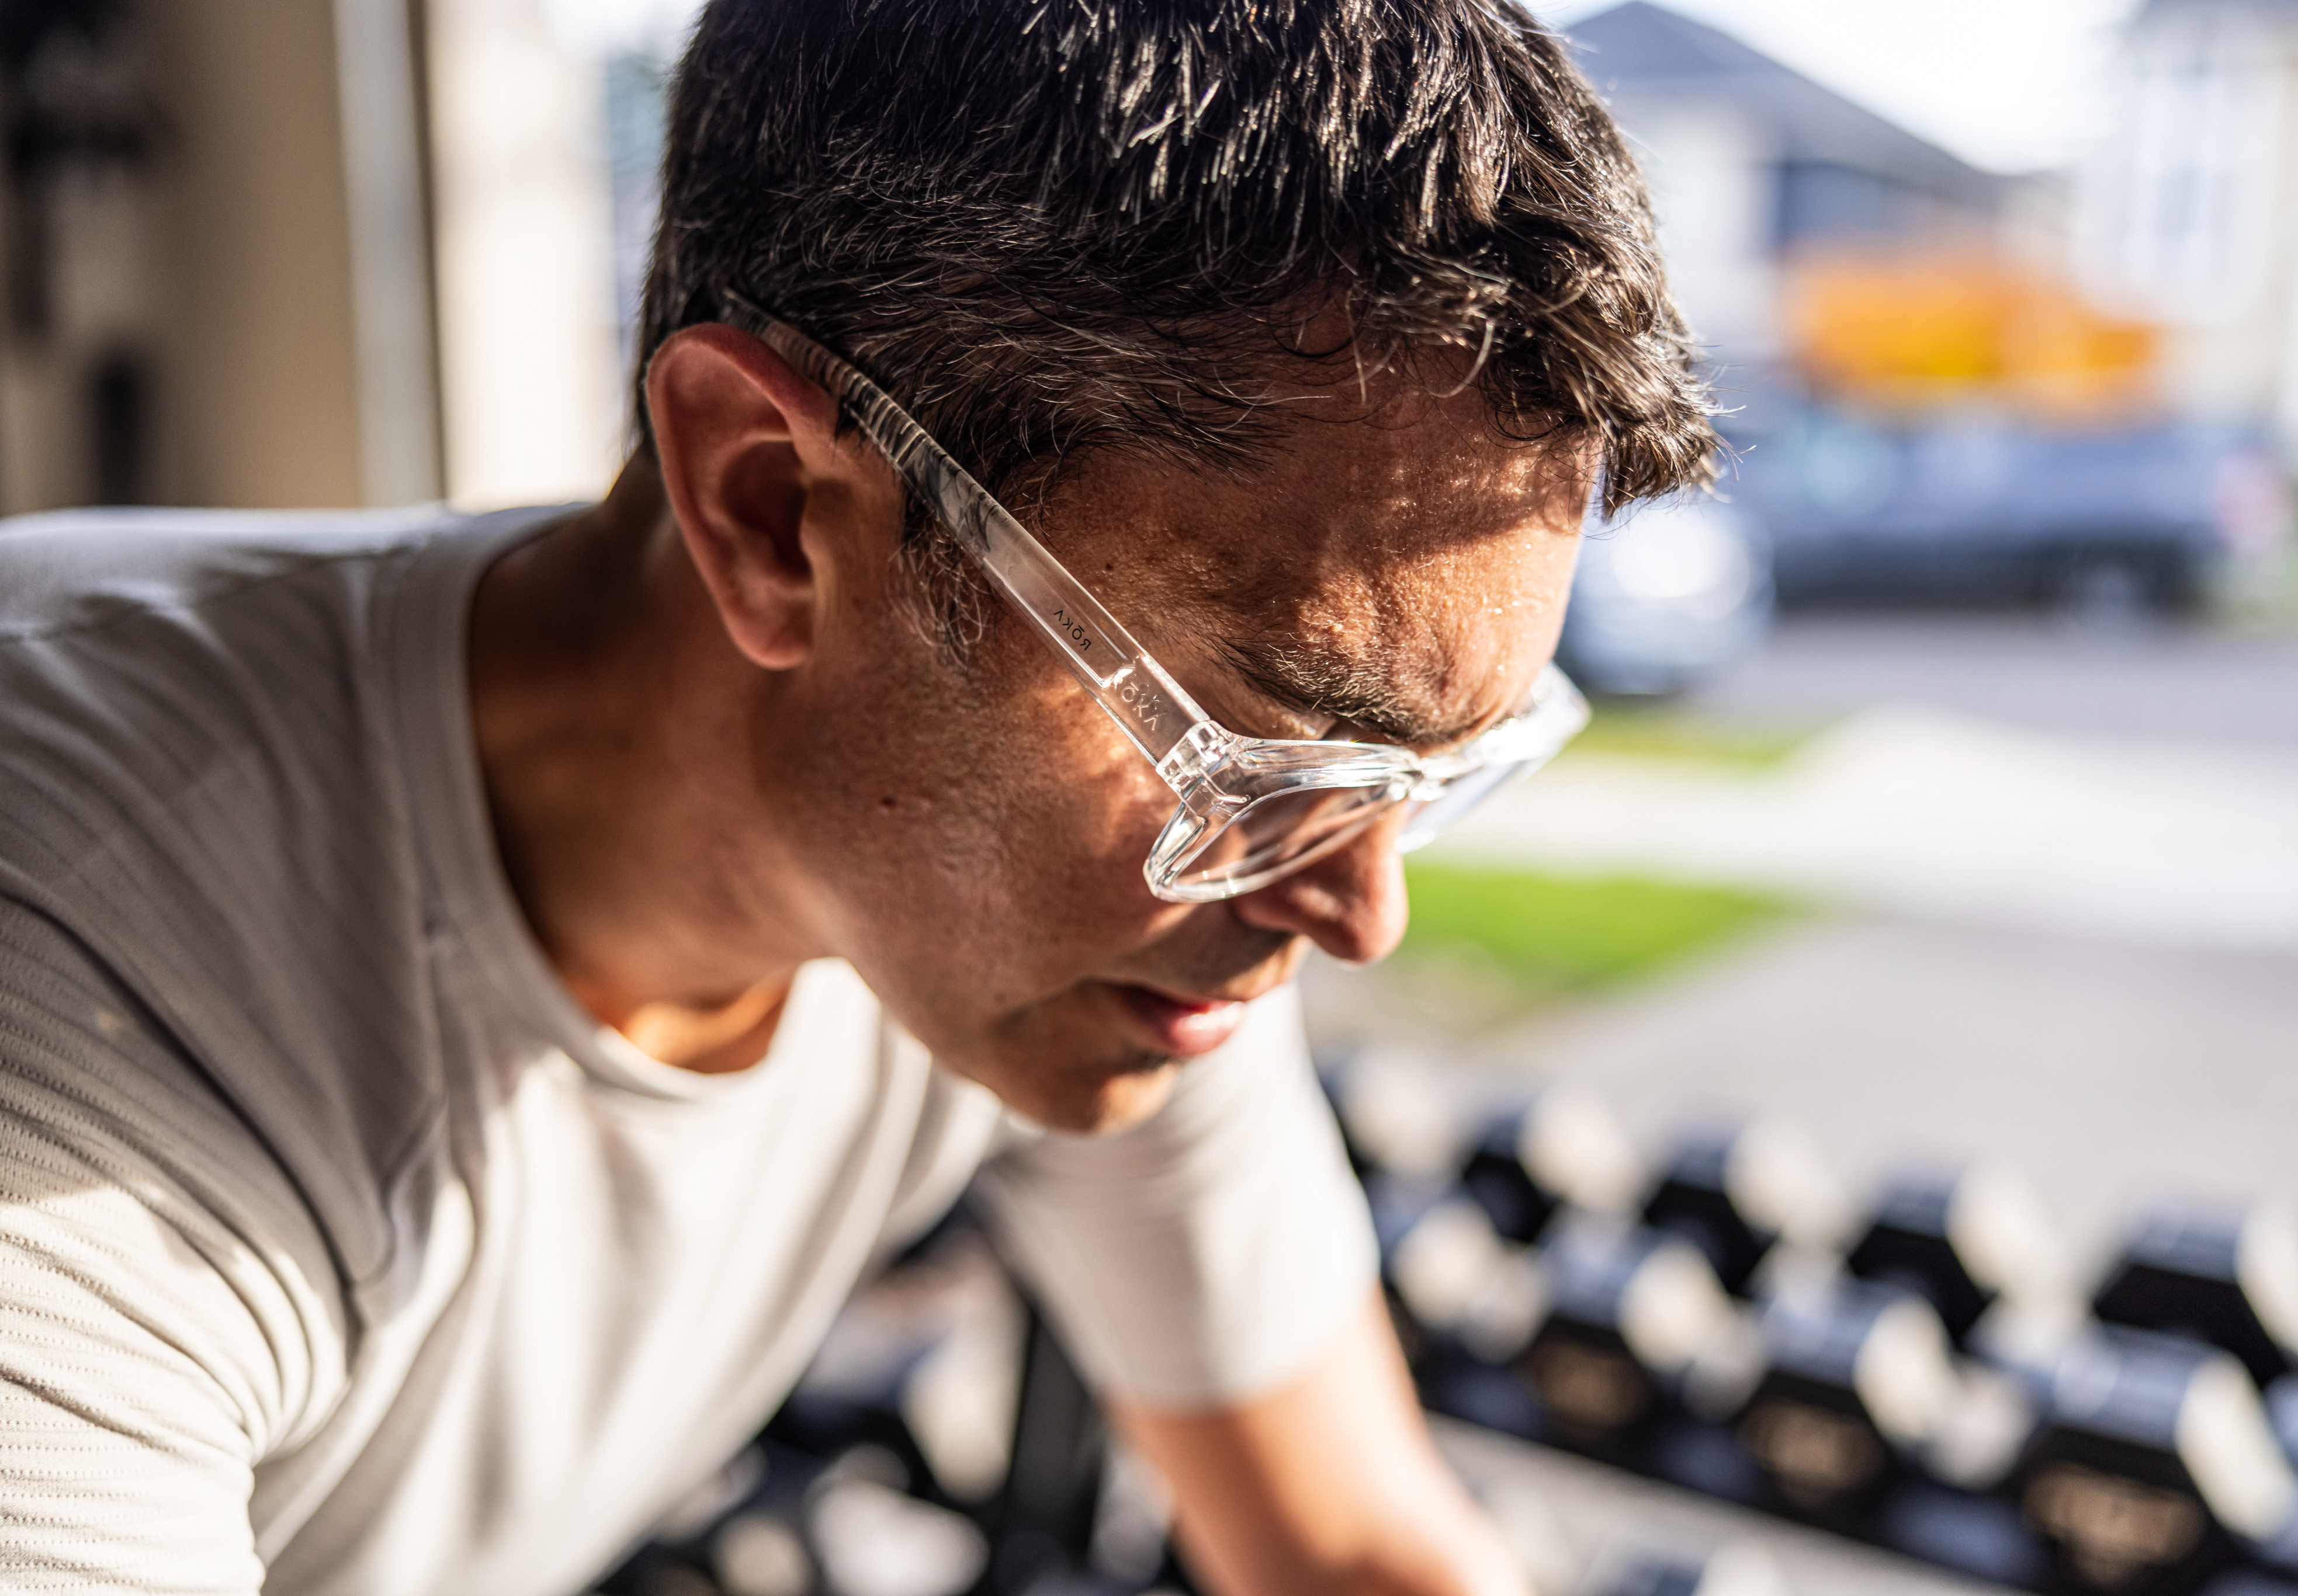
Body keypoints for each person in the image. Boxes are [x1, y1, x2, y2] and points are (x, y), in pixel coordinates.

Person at [0, 1, 1715, 1591]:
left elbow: (1350, 1545)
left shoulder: (1128, 898)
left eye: (1428, 777)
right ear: (770, 509)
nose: (1359, 908)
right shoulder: (77, 1009)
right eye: (1276, 752)